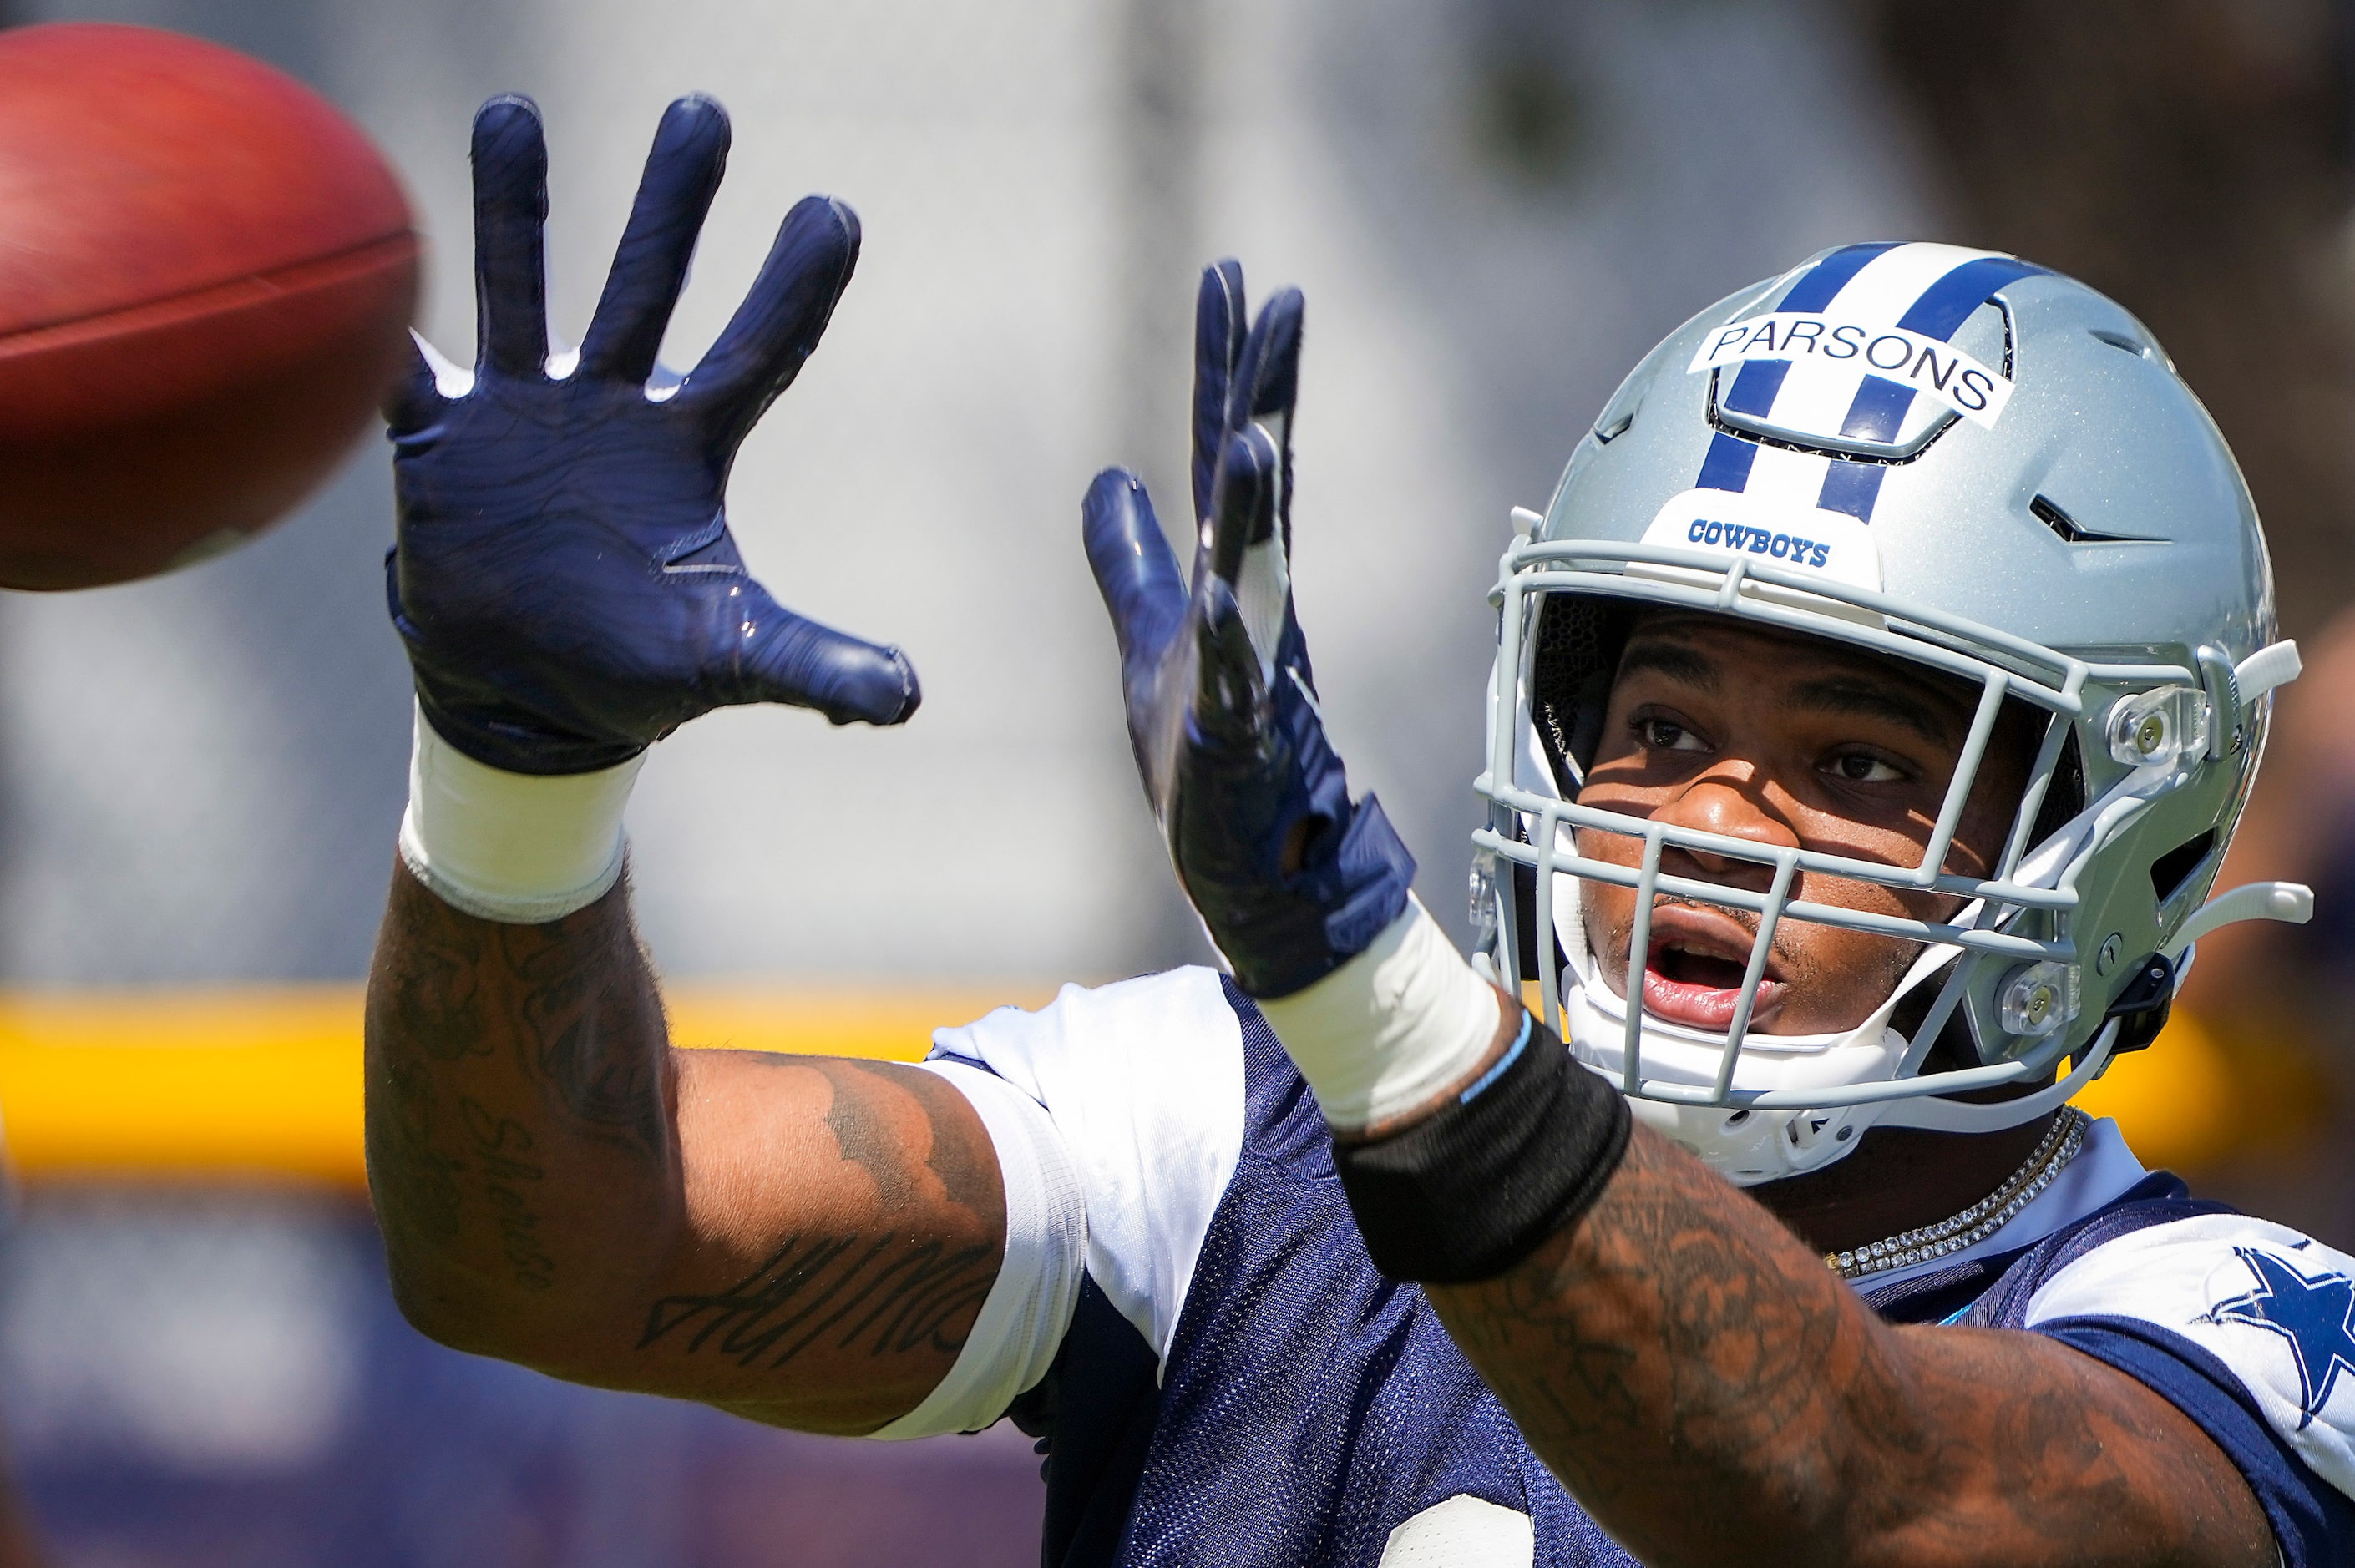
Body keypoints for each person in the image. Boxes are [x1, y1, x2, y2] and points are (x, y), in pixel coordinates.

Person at [366, 96, 2353, 1565]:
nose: (1713, 820)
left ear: (2128, 848)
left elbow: (1861, 1501)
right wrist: (515, 781)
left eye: (1856, 769)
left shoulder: (2242, 1340)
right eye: (1660, 723)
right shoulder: (1230, 1139)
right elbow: (561, 1252)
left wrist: (1374, 999)